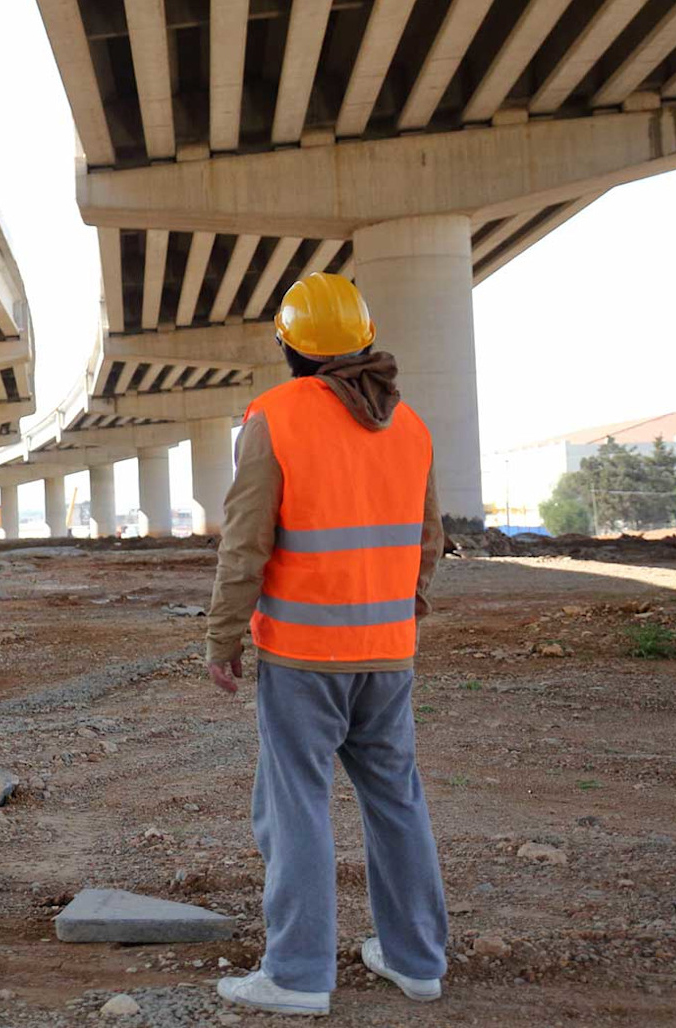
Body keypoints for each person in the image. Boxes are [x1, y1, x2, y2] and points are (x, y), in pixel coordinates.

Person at [204, 272, 449, 1016]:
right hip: (387, 653)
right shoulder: (408, 423)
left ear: (289, 347)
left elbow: (246, 540)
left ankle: (299, 974)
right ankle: (416, 961)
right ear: (363, 340)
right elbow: (428, 541)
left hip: (305, 657)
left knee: (298, 805)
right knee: (396, 799)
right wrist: (400, 614)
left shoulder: (273, 417)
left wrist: (223, 634)